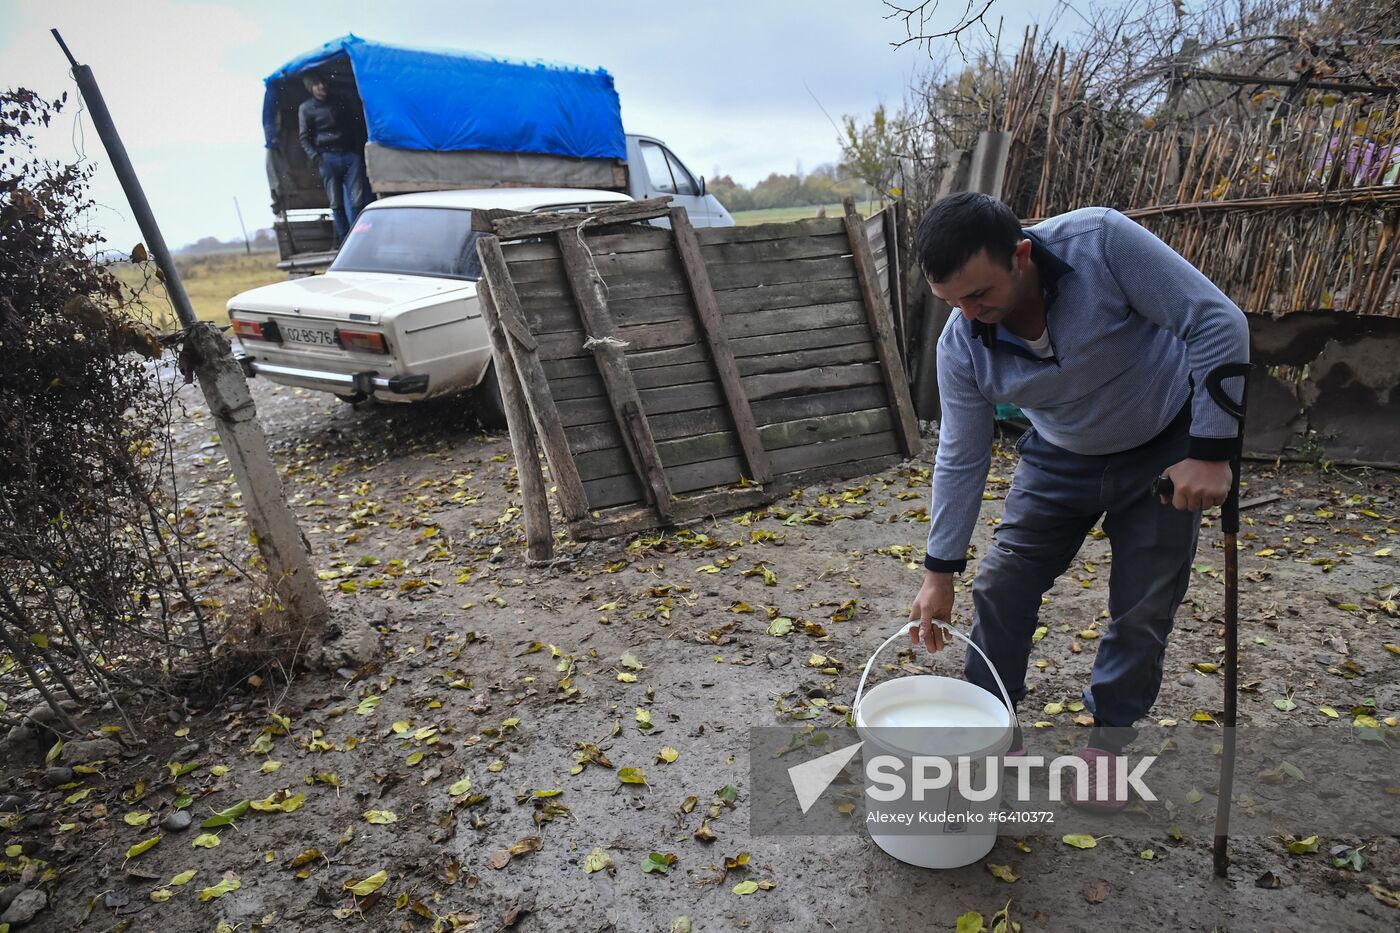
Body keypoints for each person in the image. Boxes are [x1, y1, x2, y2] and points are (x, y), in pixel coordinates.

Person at [907, 192, 1249, 811]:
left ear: (1021, 254)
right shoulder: (961, 342)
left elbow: (1216, 321)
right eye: (952, 302)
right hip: (1059, 454)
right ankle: (991, 735)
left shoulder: (1103, 244)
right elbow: (961, 454)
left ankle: (1109, 750)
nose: (969, 315)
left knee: (1142, 606)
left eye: (978, 294)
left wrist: (1211, 452)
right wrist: (939, 570)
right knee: (1001, 581)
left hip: (1163, 447)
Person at [297, 71, 370, 243]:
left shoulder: (339, 102)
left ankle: (357, 240)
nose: (321, 87)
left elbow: (355, 126)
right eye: (316, 84)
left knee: (356, 201)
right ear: (311, 88)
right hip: (327, 158)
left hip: (348, 155)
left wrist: (357, 151)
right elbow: (304, 138)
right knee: (336, 203)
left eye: (323, 83)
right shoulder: (306, 108)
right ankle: (345, 242)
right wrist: (317, 157)